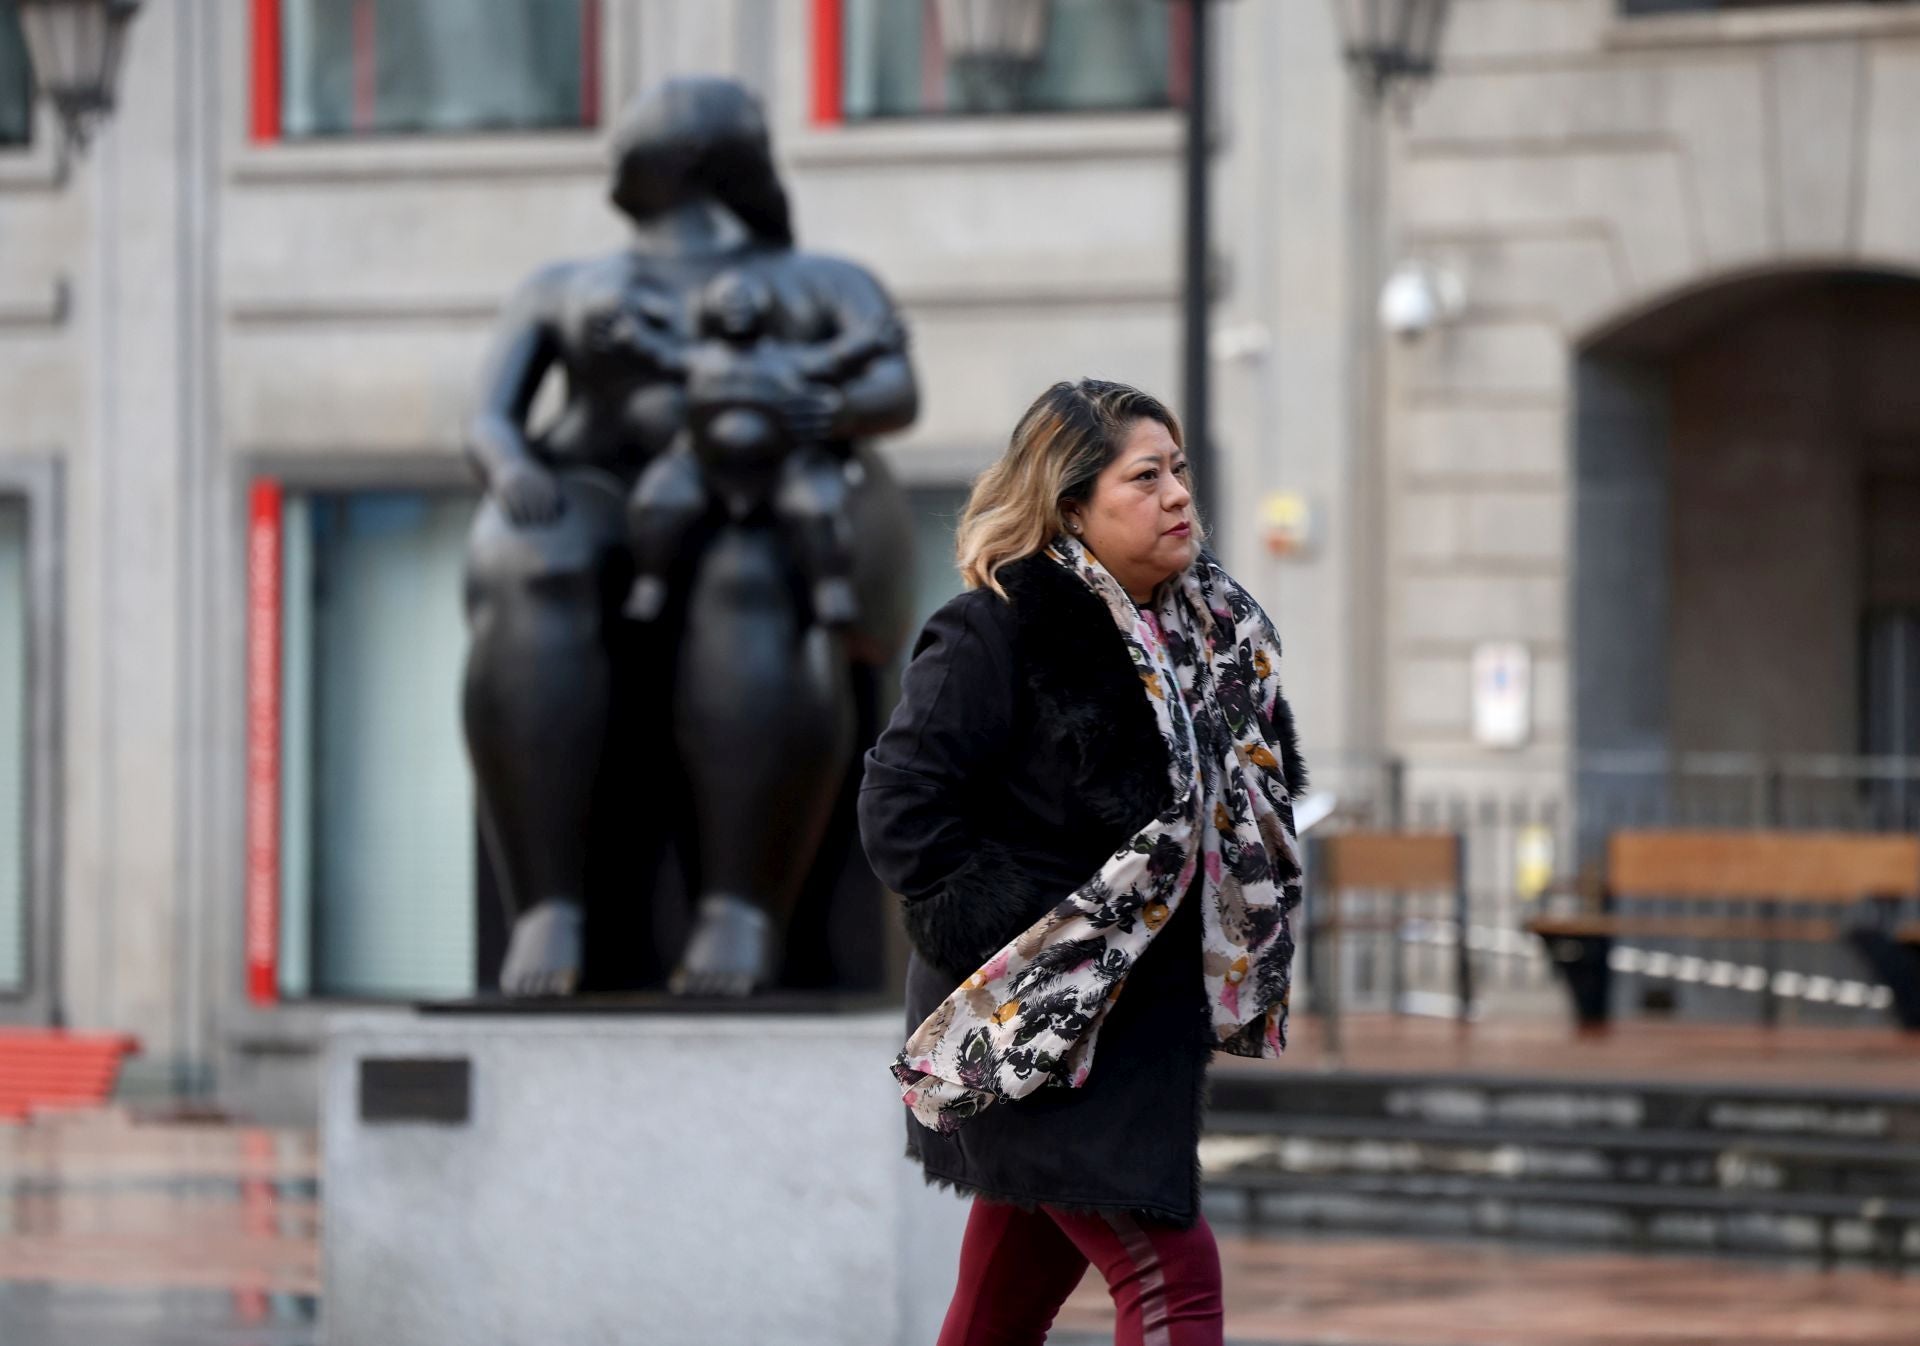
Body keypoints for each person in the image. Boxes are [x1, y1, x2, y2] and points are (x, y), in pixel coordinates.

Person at [859, 380, 1308, 1346]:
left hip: (1135, 1028)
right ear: (1070, 503)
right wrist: (1039, 942)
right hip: (1031, 1025)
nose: (1179, 494)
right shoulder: (994, 628)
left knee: (1000, 1307)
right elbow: (900, 814)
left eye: (1180, 469)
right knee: (1172, 1278)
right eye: (1145, 476)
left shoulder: (1208, 642)